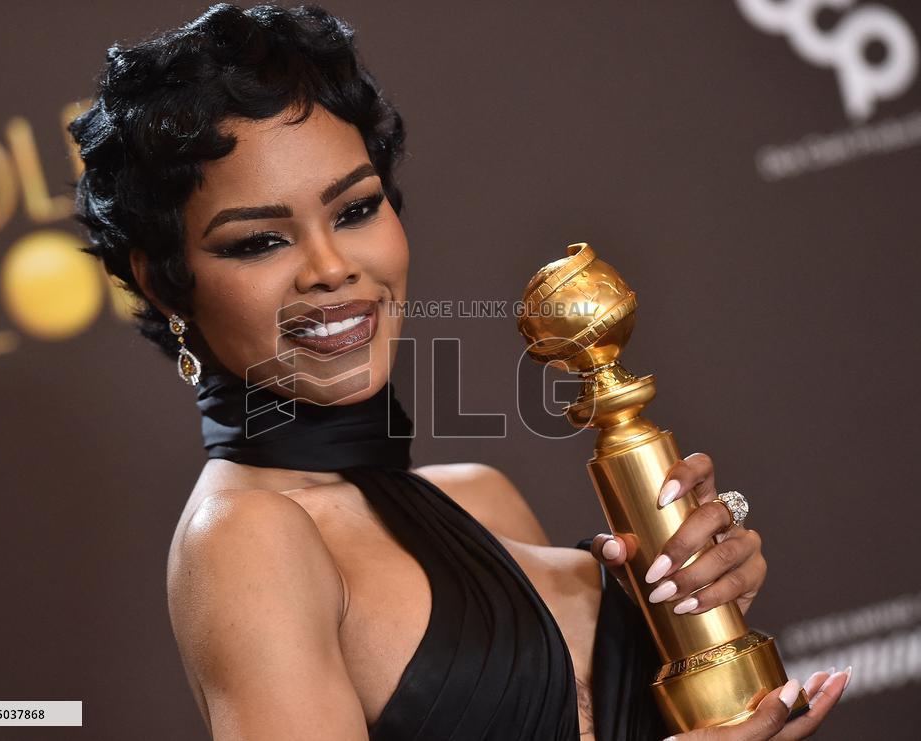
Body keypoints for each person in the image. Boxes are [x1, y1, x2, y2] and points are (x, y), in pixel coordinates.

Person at [68, 4, 849, 739]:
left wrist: (697, 613)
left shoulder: (482, 496)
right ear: (166, 281)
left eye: (355, 209)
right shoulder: (244, 540)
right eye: (259, 242)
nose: (332, 267)